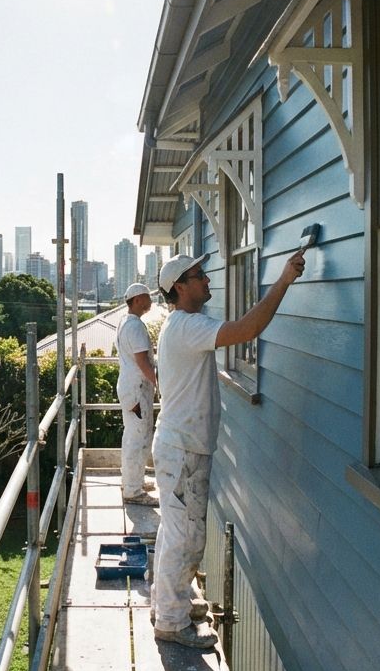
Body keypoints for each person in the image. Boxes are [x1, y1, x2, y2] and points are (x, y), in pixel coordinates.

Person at [151, 250, 305, 648]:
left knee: (179, 532)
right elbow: (247, 329)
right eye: (199, 276)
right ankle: (170, 621)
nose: (207, 280)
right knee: (185, 537)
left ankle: (173, 604)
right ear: (179, 288)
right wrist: (284, 280)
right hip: (182, 449)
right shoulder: (187, 325)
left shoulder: (181, 325)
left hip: (183, 447)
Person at [116, 282, 159, 506]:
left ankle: (133, 481)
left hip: (130, 388)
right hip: (136, 389)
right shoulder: (135, 327)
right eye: (147, 297)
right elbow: (143, 362)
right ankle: (133, 490)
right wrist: (160, 383)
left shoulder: (126, 322)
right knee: (138, 438)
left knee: (133, 435)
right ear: (137, 300)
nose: (150, 301)